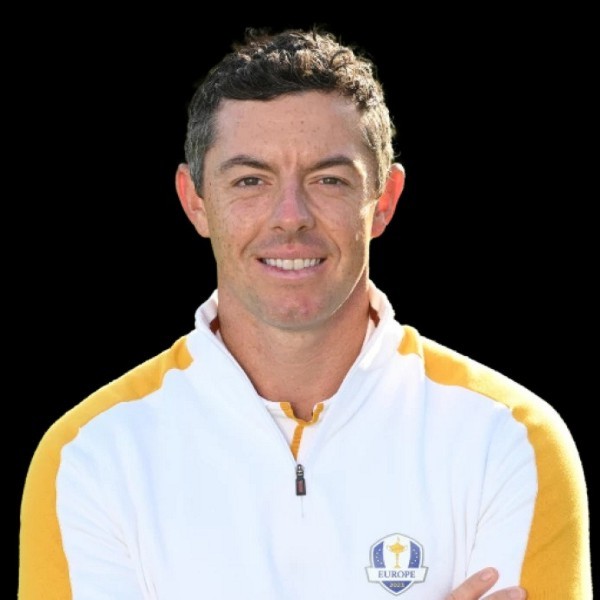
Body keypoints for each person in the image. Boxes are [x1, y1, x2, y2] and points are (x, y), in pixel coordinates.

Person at [18, 27, 591, 599]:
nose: (290, 216)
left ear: (384, 201)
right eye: (250, 180)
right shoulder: (91, 456)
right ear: (195, 201)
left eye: (328, 180)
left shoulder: (508, 439)